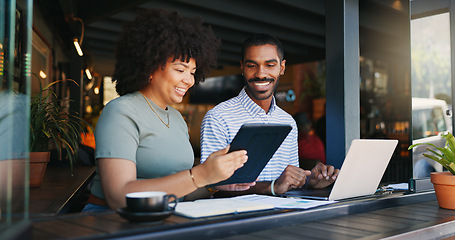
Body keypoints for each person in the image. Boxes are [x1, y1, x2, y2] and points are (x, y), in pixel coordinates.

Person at [82, 9, 248, 212]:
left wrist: (215, 184)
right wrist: (200, 175)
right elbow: (119, 197)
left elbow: (182, 187)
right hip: (115, 221)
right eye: (180, 70)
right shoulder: (121, 112)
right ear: (149, 66)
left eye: (193, 72)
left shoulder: (176, 118)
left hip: (168, 217)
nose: (189, 80)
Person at [200, 33, 339, 197]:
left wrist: (311, 182)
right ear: (242, 67)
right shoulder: (218, 117)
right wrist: (272, 187)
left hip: (281, 216)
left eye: (270, 65)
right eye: (252, 65)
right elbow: (210, 184)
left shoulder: (288, 122)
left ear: (282, 67)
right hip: (235, 218)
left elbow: (288, 183)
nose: (260, 74)